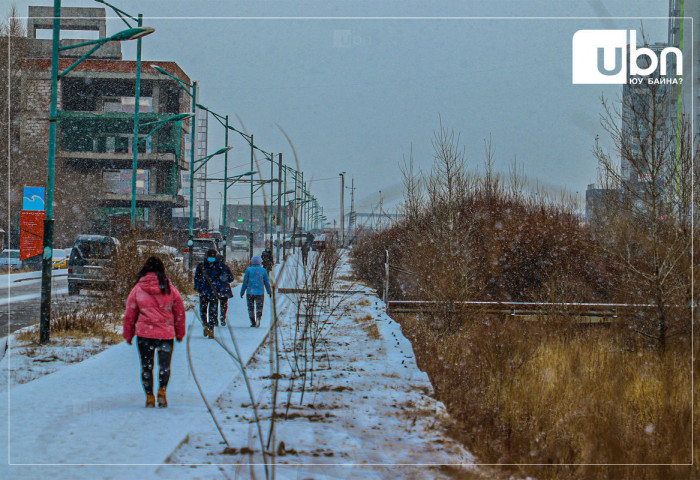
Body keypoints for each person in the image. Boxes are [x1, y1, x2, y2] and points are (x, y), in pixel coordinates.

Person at [123, 257, 186, 408]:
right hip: (165, 334)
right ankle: (162, 391)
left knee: (146, 366)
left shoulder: (138, 289)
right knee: (164, 366)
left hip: (144, 335)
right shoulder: (170, 289)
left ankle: (149, 396)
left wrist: (128, 334)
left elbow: (130, 313)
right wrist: (180, 333)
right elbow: (180, 312)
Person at [194, 248, 234, 338]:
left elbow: (229, 277)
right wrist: (198, 287)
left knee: (207, 311)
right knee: (209, 311)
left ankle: (209, 327)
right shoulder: (218, 266)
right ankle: (207, 326)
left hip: (209, 292)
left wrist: (199, 287)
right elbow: (196, 278)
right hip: (210, 292)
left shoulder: (215, 266)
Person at [240, 254, 272, 327]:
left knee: (250, 307)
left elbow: (245, 282)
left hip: (250, 292)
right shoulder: (263, 270)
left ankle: (253, 321)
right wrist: (269, 292)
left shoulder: (248, 270)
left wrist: (242, 292)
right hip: (260, 292)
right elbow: (266, 282)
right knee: (259, 306)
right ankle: (258, 316)